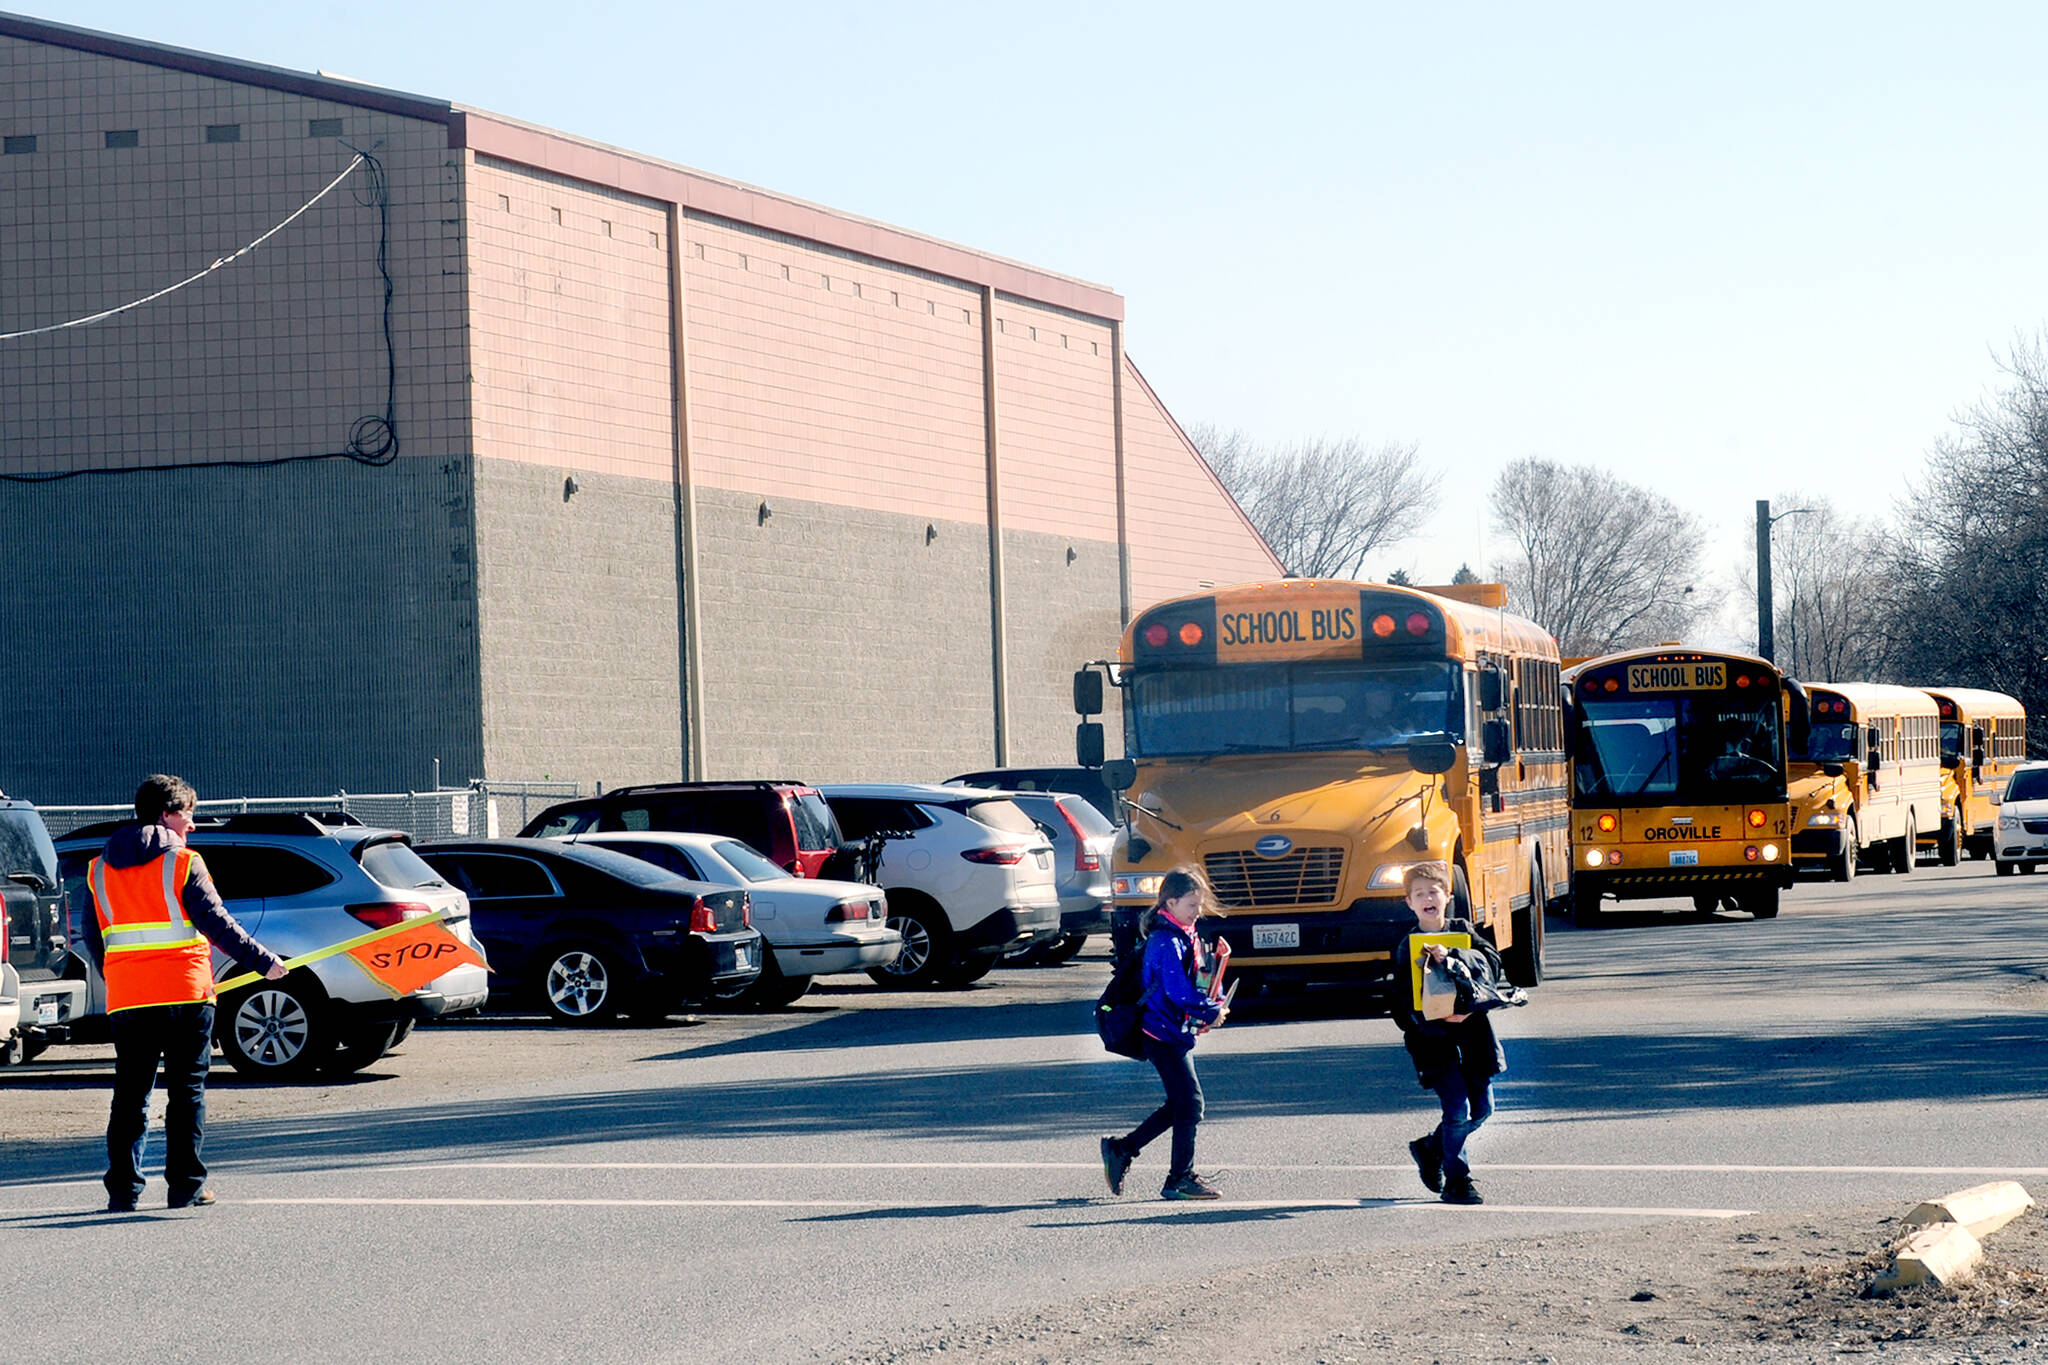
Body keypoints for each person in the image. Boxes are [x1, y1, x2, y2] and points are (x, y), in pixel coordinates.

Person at [85, 775, 287, 1212]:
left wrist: (120, 974)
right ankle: (186, 1186)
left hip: (130, 998)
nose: (192, 825)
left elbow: (93, 934)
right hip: (186, 994)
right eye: (188, 815)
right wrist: (265, 962)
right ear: (166, 814)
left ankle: (123, 1190)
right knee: (186, 1093)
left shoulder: (98, 869)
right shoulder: (183, 862)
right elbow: (218, 924)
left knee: (130, 1094)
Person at [1098, 867, 1227, 1201]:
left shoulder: (1187, 933)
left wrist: (1216, 1000)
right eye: (1191, 905)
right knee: (1191, 1104)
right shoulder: (1165, 940)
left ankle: (1122, 1150)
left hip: (1175, 1033)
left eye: (1199, 905)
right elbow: (1177, 991)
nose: (1197, 911)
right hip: (1161, 1034)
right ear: (1169, 902)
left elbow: (1199, 979)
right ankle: (1178, 1179)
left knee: (1180, 1105)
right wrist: (1211, 1010)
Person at [1391, 860, 1506, 1206]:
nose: (1428, 898)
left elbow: (1492, 965)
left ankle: (1430, 1147)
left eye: (1434, 891)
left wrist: (1454, 954)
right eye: (1419, 894)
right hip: (1434, 1044)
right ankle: (1458, 1180)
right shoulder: (1405, 947)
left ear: (1447, 896)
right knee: (1456, 1109)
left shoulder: (1464, 932)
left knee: (1482, 1110)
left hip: (1473, 1038)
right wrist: (1432, 1021)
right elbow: (1399, 1005)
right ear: (1409, 903)